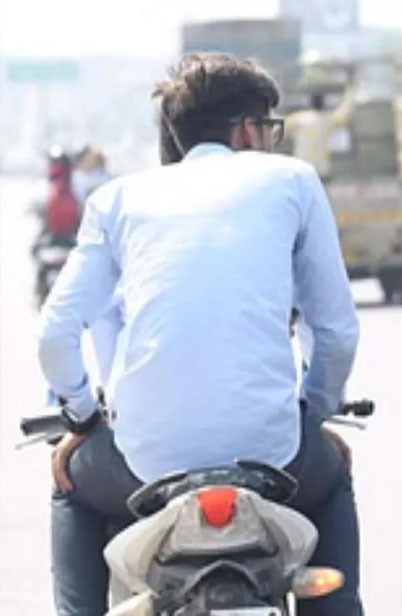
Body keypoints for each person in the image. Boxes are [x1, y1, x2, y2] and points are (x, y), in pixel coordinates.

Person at [39, 53, 363, 616]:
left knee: (71, 483)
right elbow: (334, 331)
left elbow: (56, 333)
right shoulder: (293, 181)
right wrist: (313, 414)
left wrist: (84, 418)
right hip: (273, 457)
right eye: (270, 128)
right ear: (247, 130)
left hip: (142, 464)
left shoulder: (117, 200)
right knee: (332, 473)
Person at [285, 77, 358, 180]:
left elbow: (280, 125)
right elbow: (345, 113)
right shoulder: (327, 121)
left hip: (301, 169)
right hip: (320, 171)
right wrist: (351, 91)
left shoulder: (298, 119)